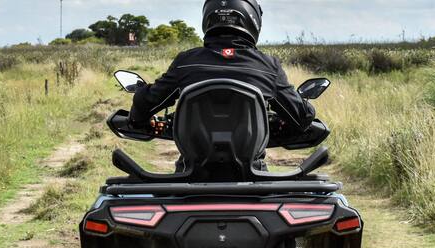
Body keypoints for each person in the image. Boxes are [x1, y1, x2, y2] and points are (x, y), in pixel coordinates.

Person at [129, 0, 315, 168]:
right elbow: (302, 117)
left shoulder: (186, 62)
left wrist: (139, 113)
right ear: (252, 20)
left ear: (208, 18)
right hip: (252, 176)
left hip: (190, 175)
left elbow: (146, 103)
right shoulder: (267, 66)